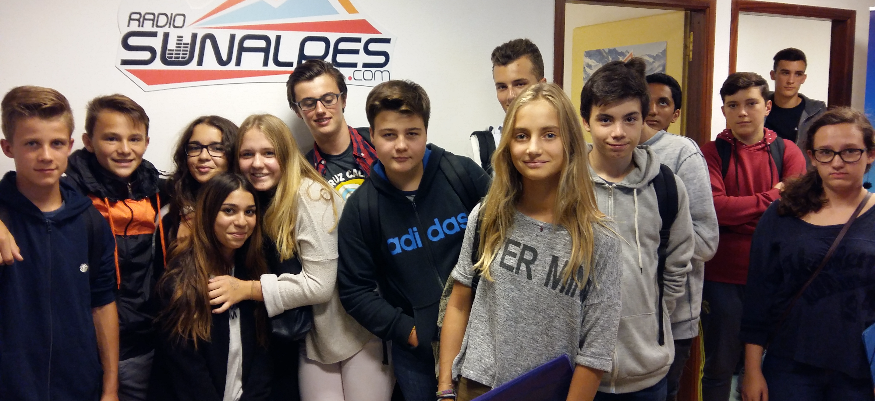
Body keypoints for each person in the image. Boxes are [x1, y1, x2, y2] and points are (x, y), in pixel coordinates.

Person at [437, 82, 622, 401]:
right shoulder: (487, 216)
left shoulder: (599, 239)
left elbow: (595, 351)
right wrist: (445, 388)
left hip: (549, 392)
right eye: (521, 136)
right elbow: (458, 302)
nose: (533, 148)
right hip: (477, 386)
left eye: (549, 135)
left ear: (569, 141)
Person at [211, 114, 393, 401]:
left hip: (357, 331)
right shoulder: (262, 199)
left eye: (268, 153)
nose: (257, 163)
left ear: (286, 155)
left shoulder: (309, 195)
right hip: (316, 337)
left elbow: (319, 285)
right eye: (247, 154)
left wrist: (246, 289)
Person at [0, 93, 165, 400]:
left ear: (70, 145)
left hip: (84, 379)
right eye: (32, 143)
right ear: (8, 148)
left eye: (57, 143)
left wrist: (110, 389)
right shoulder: (4, 218)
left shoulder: (90, 220)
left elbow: (102, 303)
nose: (46, 155)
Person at [337, 80, 490, 401]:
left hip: (486, 340)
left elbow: (505, 236)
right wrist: (410, 332)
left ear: (425, 131)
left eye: (412, 133)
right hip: (417, 357)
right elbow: (355, 292)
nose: (401, 145)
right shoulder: (362, 208)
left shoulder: (461, 173)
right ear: (372, 135)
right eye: (388, 135)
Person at [741, 107, 875, 401]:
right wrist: (752, 370)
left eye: (850, 151)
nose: (837, 162)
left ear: (870, 154)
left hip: (859, 370)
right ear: (812, 157)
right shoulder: (783, 213)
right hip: (790, 365)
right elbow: (759, 295)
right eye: (826, 152)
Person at [582, 59, 695, 400]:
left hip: (647, 370)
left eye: (630, 119)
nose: (618, 132)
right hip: (578, 371)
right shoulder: (565, 186)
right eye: (605, 119)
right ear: (586, 122)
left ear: (643, 120)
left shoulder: (667, 187)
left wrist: (651, 320)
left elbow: (678, 263)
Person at [700, 72, 806, 401]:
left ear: (767, 107)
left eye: (751, 103)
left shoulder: (788, 151)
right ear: (724, 111)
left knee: (772, 364)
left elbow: (795, 209)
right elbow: (717, 210)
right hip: (722, 277)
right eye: (733, 105)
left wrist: (740, 213)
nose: (742, 112)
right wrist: (772, 198)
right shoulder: (711, 153)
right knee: (720, 366)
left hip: (776, 275)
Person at [149, 173, 271, 401]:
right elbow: (188, 376)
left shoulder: (254, 274)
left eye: (250, 212)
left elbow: (263, 356)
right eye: (229, 211)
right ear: (208, 213)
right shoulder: (179, 281)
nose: (242, 222)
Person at [643, 73, 719, 401]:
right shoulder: (609, 153)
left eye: (662, 103)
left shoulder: (681, 153)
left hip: (671, 318)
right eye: (646, 100)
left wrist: (648, 240)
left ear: (675, 114)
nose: (652, 109)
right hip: (621, 320)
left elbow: (705, 240)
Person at [287, 60, 379, 199]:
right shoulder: (303, 173)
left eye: (328, 99)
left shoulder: (377, 141)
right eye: (309, 103)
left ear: (343, 100)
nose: (320, 110)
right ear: (297, 111)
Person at [470, 38, 546, 174]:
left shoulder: (566, 141)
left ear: (542, 86)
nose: (510, 96)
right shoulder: (481, 148)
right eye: (502, 87)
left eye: (519, 84)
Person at [164, 115, 239, 245]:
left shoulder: (251, 202)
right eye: (194, 148)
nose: (203, 156)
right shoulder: (170, 205)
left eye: (217, 148)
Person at [764, 48, 826, 150]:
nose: (791, 81)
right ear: (773, 75)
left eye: (798, 74)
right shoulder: (759, 106)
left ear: (803, 78)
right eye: (785, 73)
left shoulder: (817, 112)